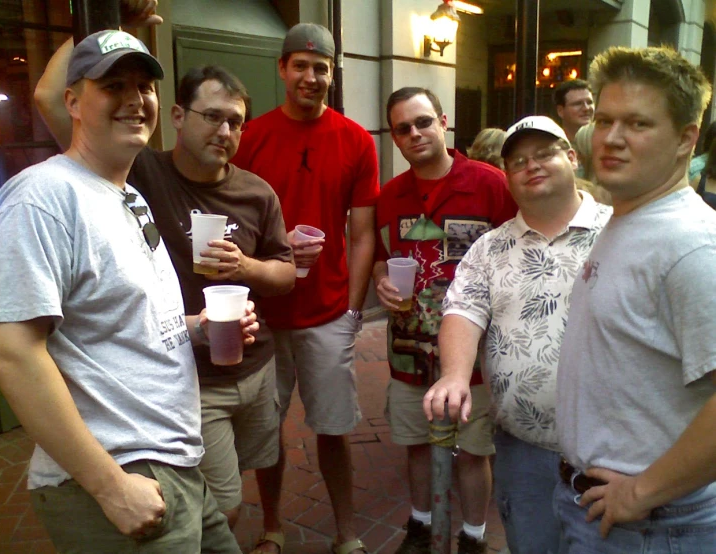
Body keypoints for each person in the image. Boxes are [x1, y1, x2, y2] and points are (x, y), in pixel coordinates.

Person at [0, 28, 259, 553]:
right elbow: (10, 354)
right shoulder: (42, 196)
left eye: (144, 86)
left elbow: (122, 320)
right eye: (113, 86)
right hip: (120, 470)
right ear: (73, 102)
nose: (135, 99)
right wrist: (111, 488)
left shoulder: (126, 193)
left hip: (177, 464)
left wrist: (200, 329)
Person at [34, 11, 296, 528]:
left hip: (253, 359)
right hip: (191, 378)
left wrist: (245, 266)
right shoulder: (140, 171)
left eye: (236, 122)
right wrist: (113, 23)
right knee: (222, 500)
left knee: (263, 461)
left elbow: (286, 274)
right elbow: (47, 98)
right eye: (212, 117)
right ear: (177, 116)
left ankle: (273, 529)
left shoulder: (255, 190)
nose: (225, 131)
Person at [423, 116, 611, 554]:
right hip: (522, 448)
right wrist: (453, 375)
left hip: (608, 455)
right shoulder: (490, 248)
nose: (532, 166)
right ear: (506, 178)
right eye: (518, 161)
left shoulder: (618, 230)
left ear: (571, 156)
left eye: (544, 154)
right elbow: (462, 309)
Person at [555, 45, 716, 553]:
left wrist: (641, 493)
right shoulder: (629, 217)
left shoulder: (692, 246)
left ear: (685, 140)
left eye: (638, 124)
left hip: (648, 526)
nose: (612, 139)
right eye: (604, 120)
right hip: (601, 510)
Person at [232, 23, 379, 554]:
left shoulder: (356, 141)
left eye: (321, 68)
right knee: (266, 430)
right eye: (301, 66)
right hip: (265, 314)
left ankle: (346, 533)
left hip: (326, 313)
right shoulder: (251, 137)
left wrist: (353, 311)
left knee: (334, 428)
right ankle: (272, 528)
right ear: (282, 69)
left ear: (332, 75)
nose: (311, 77)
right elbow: (232, 223)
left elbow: (362, 235)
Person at [374, 87, 517, 554]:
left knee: (475, 449)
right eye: (402, 128)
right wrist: (381, 280)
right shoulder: (390, 196)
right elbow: (380, 257)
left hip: (472, 353)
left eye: (422, 122)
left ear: (443, 121)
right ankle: (420, 524)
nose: (414, 133)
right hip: (409, 347)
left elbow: (517, 255)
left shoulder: (491, 184)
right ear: (394, 138)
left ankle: (473, 535)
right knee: (416, 442)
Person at [554, 79, 594, 144]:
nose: (586, 108)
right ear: (560, 111)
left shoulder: (604, 142)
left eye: (589, 102)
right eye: (578, 103)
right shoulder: (552, 146)